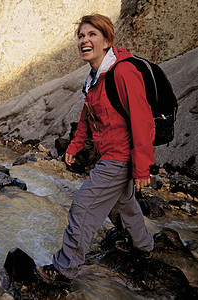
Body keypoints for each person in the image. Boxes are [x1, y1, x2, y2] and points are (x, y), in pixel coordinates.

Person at [34, 14, 155, 287]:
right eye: (81, 36)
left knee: (82, 209)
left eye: (92, 34)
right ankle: (144, 248)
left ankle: (64, 270)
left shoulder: (123, 73)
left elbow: (142, 120)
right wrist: (75, 146)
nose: (84, 40)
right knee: (122, 206)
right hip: (109, 156)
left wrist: (142, 167)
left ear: (107, 40)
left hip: (119, 158)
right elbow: (88, 118)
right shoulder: (94, 78)